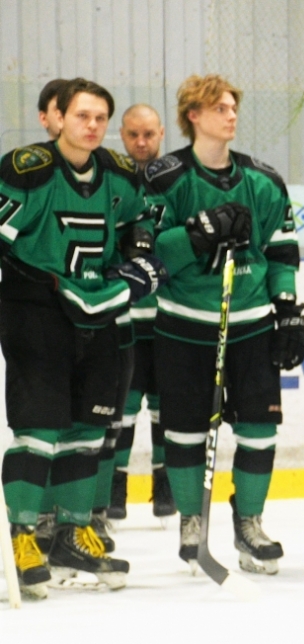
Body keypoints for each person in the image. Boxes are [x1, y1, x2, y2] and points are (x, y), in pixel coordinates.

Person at [1, 79, 165, 596]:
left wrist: (140, 256)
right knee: (38, 430)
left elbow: (141, 222)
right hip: (37, 312)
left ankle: (72, 533)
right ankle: (22, 536)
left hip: (101, 312)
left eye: (99, 118)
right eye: (81, 116)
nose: (91, 126)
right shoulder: (27, 170)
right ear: (59, 117)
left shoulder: (118, 173)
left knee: (88, 430)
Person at [145, 75, 304, 575]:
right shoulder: (165, 178)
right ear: (193, 115)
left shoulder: (263, 180)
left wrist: (286, 307)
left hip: (251, 323)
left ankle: (249, 522)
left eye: (233, 106)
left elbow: (281, 250)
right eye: (219, 107)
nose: (231, 114)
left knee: (260, 428)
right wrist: (197, 234)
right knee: (184, 431)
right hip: (184, 325)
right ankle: (192, 520)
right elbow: (147, 250)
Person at [109, 105, 175, 519]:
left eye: (149, 134)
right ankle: (116, 488)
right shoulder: (112, 183)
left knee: (167, 407)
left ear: (162, 133)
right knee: (124, 407)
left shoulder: (175, 182)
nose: (141, 142)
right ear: (122, 134)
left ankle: (164, 486)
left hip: (169, 317)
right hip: (127, 317)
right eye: (133, 134)